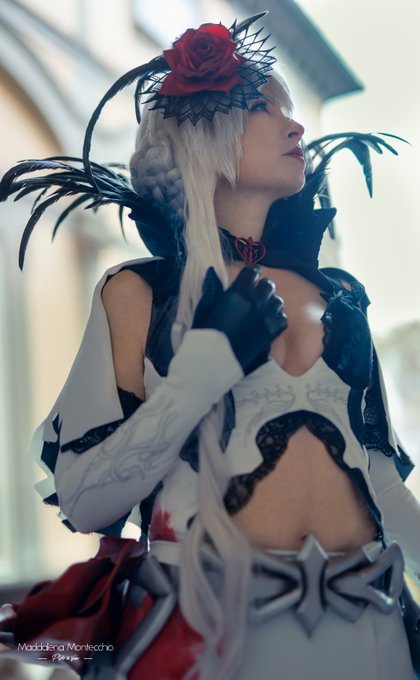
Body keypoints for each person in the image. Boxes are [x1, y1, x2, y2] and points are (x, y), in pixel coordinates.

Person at [0, 12, 419, 680]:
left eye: (291, 110)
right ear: (200, 135)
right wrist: (203, 370)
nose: (295, 126)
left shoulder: (340, 295)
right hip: (207, 644)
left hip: (372, 639)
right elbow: (85, 502)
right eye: (262, 108)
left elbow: (378, 483)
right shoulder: (138, 293)